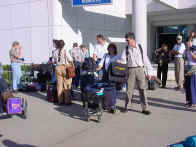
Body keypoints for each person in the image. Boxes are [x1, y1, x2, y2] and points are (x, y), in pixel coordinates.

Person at [119, 32, 153, 115]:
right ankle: (127, 106)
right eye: (126, 40)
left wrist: (150, 72)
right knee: (129, 90)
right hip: (130, 70)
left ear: (133, 39)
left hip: (140, 70)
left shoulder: (140, 47)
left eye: (128, 40)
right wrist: (119, 61)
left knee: (142, 89)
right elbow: (123, 60)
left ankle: (145, 108)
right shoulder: (126, 49)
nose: (127, 42)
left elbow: (146, 60)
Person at [52, 40, 73, 105]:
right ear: (63, 45)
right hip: (65, 67)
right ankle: (67, 101)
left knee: (59, 85)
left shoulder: (54, 51)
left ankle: (60, 100)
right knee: (67, 84)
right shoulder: (65, 51)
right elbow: (70, 59)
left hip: (58, 68)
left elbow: (53, 61)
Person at [185, 37, 196, 107]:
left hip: (193, 67)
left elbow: (195, 59)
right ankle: (189, 101)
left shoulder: (194, 49)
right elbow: (185, 58)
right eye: (187, 41)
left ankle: (194, 102)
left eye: (190, 42)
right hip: (187, 67)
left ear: (192, 42)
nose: (189, 43)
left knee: (193, 85)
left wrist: (190, 52)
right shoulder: (186, 50)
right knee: (188, 85)